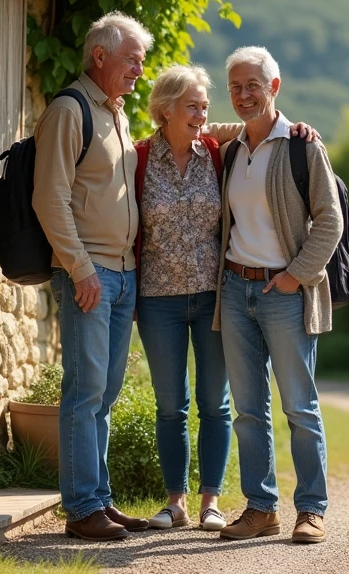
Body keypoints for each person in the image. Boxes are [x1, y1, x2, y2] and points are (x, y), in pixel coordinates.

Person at [134, 64, 320, 533]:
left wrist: (299, 126)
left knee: (251, 405)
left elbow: (262, 120)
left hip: (236, 294)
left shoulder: (230, 150)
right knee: (197, 406)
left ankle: (260, 507)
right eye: (192, 106)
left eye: (204, 106)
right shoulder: (144, 157)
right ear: (166, 110)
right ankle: (203, 505)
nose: (202, 113)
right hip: (181, 296)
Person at [213, 46, 343, 544]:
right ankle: (260, 508)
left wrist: (296, 274)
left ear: (275, 86)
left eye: (253, 85)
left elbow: (329, 220)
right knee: (247, 408)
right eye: (236, 87)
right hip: (235, 289)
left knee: (299, 407)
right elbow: (208, 129)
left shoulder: (303, 147)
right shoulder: (231, 149)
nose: (244, 95)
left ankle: (311, 510)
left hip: (285, 291)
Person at [31, 11, 152, 542]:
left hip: (122, 274)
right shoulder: (69, 109)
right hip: (91, 274)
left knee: (105, 393)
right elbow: (49, 197)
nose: (139, 70)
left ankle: (98, 498)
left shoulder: (118, 113)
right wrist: (80, 269)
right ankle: (81, 509)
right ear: (99, 56)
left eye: (142, 62)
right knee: (85, 392)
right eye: (132, 59)